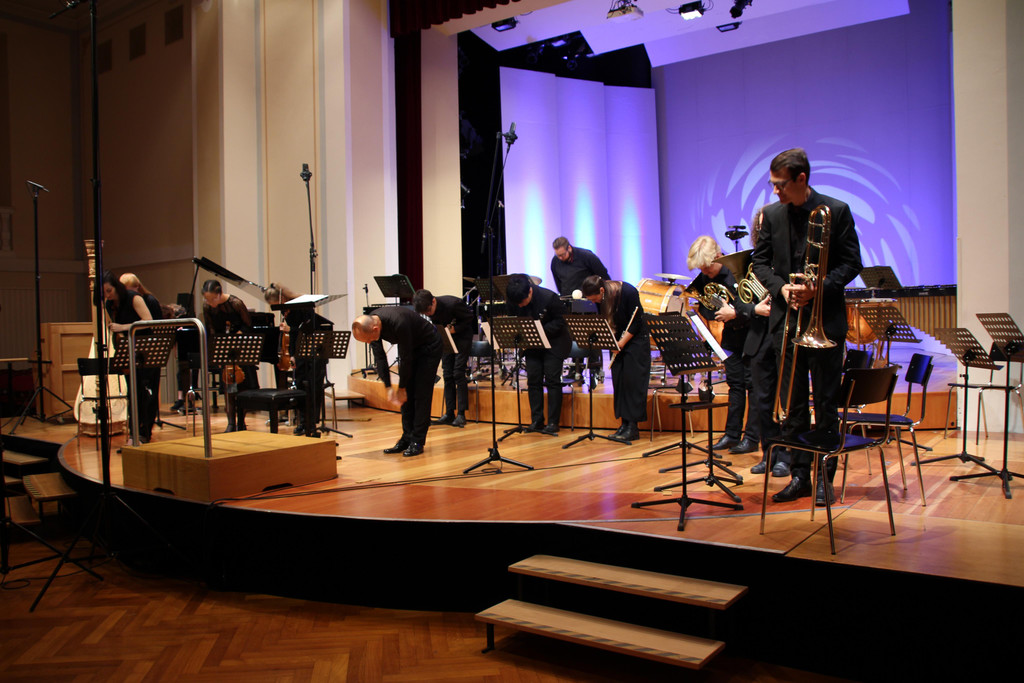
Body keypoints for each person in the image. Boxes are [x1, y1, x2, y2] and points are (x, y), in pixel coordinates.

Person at [751, 148, 863, 505]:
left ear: (801, 179)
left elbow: (852, 263)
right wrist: (781, 288)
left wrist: (819, 288)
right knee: (793, 406)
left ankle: (824, 479)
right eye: (773, 184)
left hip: (824, 323)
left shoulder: (837, 210)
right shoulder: (771, 215)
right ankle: (799, 476)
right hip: (787, 324)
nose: (775, 191)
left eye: (781, 184)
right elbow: (759, 262)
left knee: (826, 405)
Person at [732, 209, 790, 477]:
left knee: (787, 402)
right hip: (758, 339)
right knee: (762, 403)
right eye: (762, 227)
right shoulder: (751, 261)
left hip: (786, 335)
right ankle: (770, 453)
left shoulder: (790, 257)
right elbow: (739, 301)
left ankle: (787, 456)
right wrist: (755, 309)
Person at [687, 236, 759, 456]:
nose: (705, 273)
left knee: (753, 387)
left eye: (707, 268)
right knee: (735, 385)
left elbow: (757, 302)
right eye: (701, 270)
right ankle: (731, 434)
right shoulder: (705, 278)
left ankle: (752, 437)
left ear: (718, 256)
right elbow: (707, 311)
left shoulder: (742, 268)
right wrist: (716, 308)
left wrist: (735, 311)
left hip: (753, 334)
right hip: (731, 337)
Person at [352, 307, 442, 456]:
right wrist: (388, 387)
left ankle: (417, 441)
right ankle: (407, 438)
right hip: (411, 347)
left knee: (421, 394)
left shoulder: (399, 323)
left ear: (375, 329)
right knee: (405, 398)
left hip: (429, 346)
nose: (369, 342)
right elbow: (380, 358)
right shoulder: (372, 324)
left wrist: (401, 388)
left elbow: (406, 358)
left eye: (368, 340)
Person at [580, 275, 650, 442]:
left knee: (632, 383)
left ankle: (633, 427)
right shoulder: (601, 298)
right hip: (618, 341)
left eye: (595, 299)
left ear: (601, 290)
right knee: (620, 382)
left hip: (636, 341)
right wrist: (612, 342)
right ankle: (624, 424)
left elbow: (636, 322)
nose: (594, 302)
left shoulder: (628, 292)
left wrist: (621, 343)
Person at [505, 273, 571, 435]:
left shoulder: (549, 298)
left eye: (522, 302)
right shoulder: (515, 300)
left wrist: (540, 330)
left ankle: (553, 422)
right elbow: (515, 318)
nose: (520, 305)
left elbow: (561, 321)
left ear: (530, 291)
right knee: (533, 380)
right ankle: (537, 420)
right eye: (517, 303)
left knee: (552, 380)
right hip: (532, 344)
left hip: (554, 342)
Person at [264, 283, 332, 436]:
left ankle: (311, 423)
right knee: (300, 387)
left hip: (314, 352)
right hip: (300, 352)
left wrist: (290, 329)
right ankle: (302, 422)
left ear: (282, 298)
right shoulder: (285, 309)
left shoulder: (303, 305)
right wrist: (292, 355)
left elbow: (309, 328)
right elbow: (293, 336)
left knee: (313, 388)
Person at [101, 271, 157, 444]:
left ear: (116, 287)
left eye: (109, 291)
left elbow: (148, 320)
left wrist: (123, 327)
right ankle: (134, 434)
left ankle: (144, 432)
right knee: (132, 392)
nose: (107, 295)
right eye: (104, 293)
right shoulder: (110, 304)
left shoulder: (134, 298)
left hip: (144, 349)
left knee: (144, 393)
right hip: (127, 350)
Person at [413, 289, 476, 428]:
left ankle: (461, 414)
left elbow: (469, 317)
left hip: (462, 338)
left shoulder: (453, 304)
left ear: (433, 301)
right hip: (446, 337)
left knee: (458, 373)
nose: (429, 314)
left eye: (429, 311)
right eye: (425, 313)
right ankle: (449, 413)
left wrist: (455, 329)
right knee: (447, 374)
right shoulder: (428, 308)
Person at [201, 279, 259, 432]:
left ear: (219, 294)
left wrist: (237, 337)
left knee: (242, 386)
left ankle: (242, 422)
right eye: (206, 299)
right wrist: (216, 350)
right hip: (224, 349)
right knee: (229, 387)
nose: (209, 302)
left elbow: (248, 325)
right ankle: (231, 423)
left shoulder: (236, 303)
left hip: (241, 348)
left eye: (211, 299)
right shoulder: (207, 307)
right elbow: (210, 329)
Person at [550, 236, 610, 380]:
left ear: (569, 248)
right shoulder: (555, 262)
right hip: (570, 304)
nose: (560, 258)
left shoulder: (587, 256)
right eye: (557, 255)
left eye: (562, 255)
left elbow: (604, 277)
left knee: (591, 336)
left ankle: (594, 368)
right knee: (572, 337)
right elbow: (559, 284)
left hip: (589, 303)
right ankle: (575, 369)